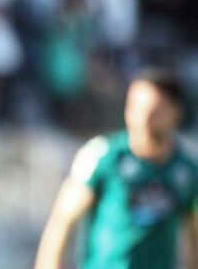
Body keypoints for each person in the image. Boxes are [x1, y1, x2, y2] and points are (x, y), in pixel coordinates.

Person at [35, 69, 198, 269]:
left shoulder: (187, 172)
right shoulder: (102, 156)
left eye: (155, 110)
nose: (144, 119)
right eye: (136, 108)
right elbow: (61, 221)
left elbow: (194, 236)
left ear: (176, 112)